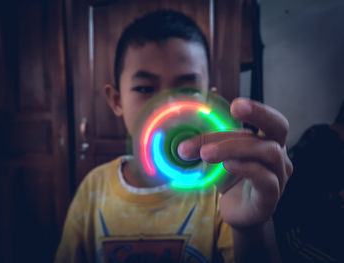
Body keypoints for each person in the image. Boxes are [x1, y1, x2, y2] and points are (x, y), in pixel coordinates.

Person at [55, 10, 292, 263]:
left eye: (188, 89)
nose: (166, 107)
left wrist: (252, 229)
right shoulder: (93, 188)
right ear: (116, 100)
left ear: (208, 100)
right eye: (145, 88)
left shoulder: (224, 188)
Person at [273, 102, 344, 263]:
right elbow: (312, 202)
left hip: (316, 228)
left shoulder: (320, 134)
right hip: (296, 234)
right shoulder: (323, 143)